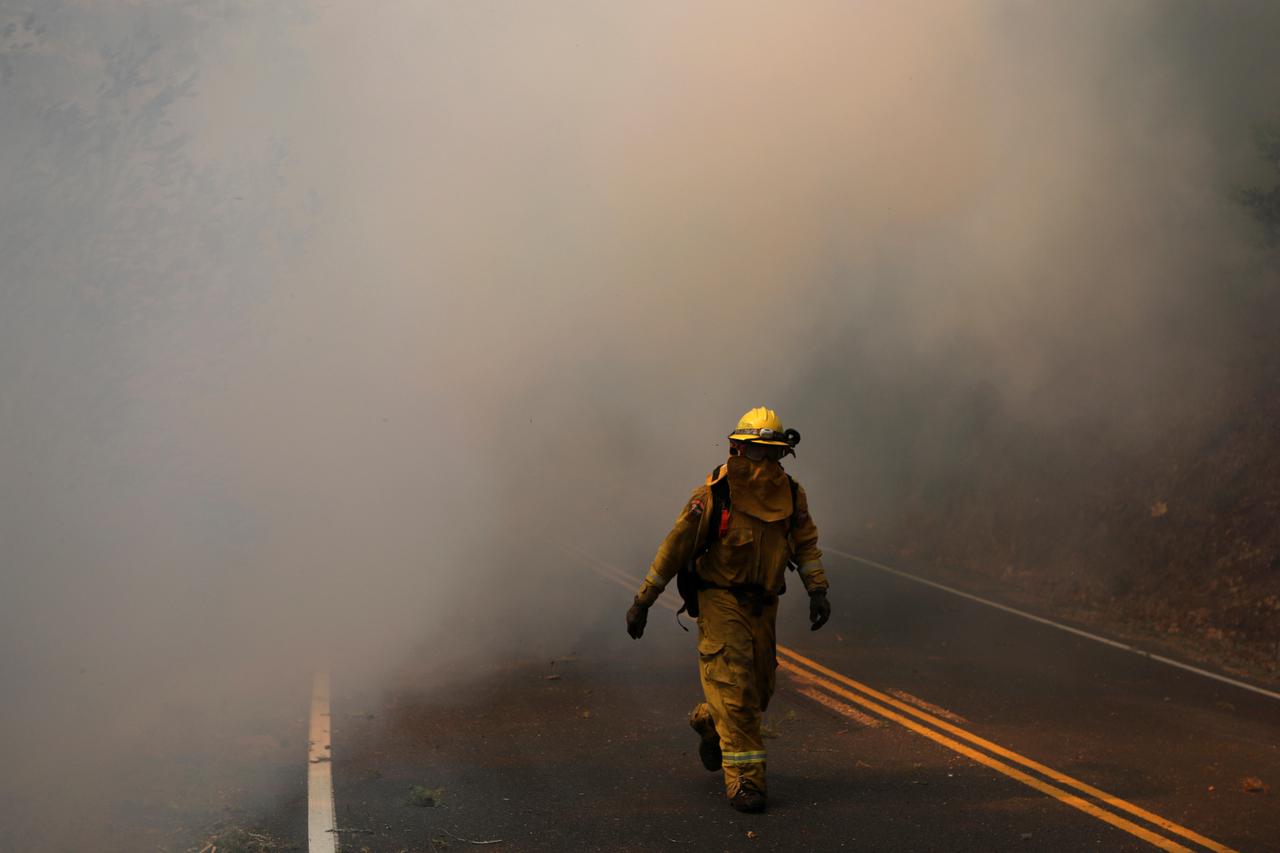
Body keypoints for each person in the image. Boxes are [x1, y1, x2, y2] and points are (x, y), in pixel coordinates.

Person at [625, 407, 831, 813]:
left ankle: (709, 722)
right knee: (735, 695)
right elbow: (674, 549)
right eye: (758, 454)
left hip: (764, 606)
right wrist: (643, 600)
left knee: (757, 693)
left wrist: (817, 589)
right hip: (720, 601)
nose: (766, 465)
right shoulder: (712, 497)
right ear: (737, 451)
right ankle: (746, 784)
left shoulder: (791, 495)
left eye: (774, 455)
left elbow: (805, 544)